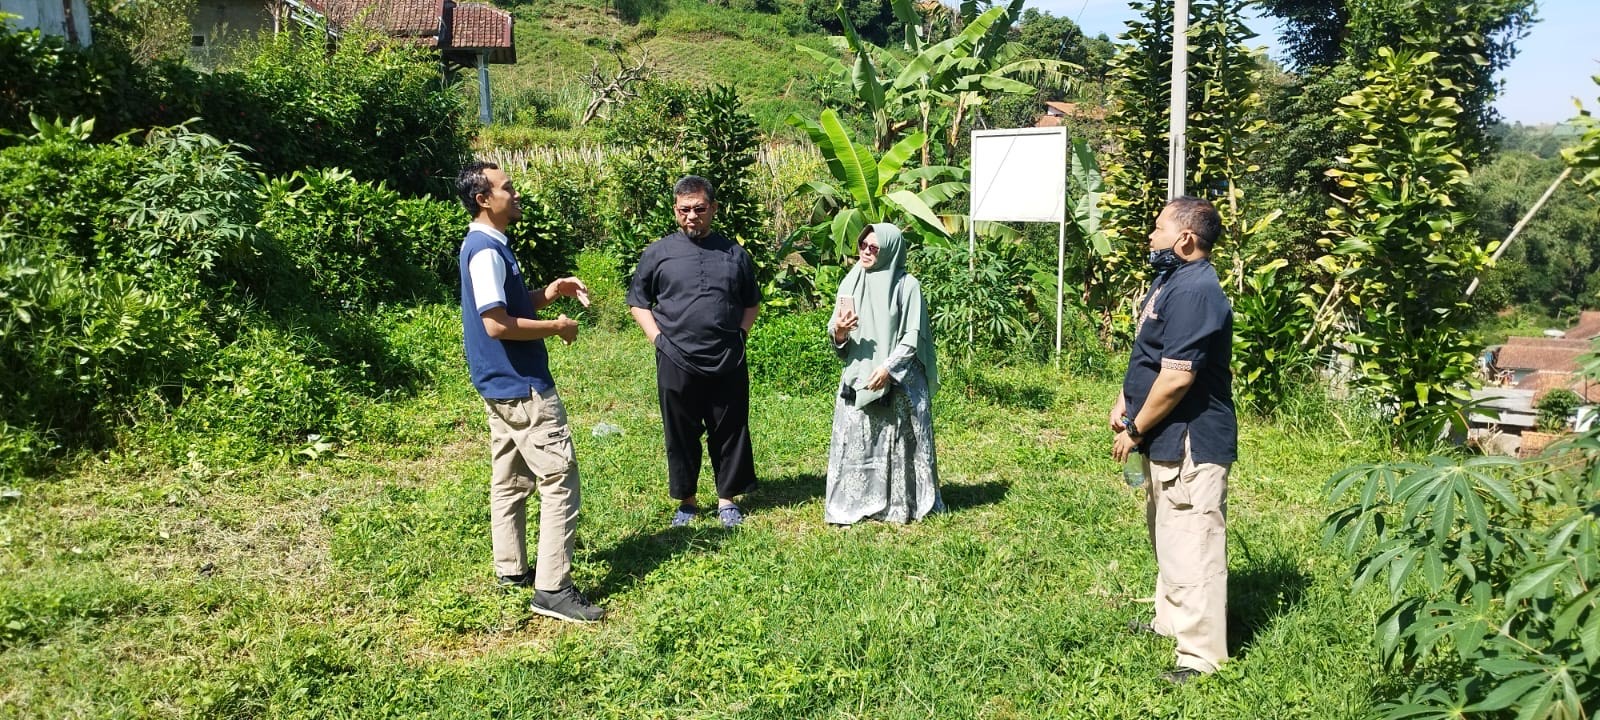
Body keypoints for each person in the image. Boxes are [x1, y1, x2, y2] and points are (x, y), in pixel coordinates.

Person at [455, 160, 603, 623]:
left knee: (511, 479)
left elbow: (508, 304)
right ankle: (553, 589)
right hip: (522, 388)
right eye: (507, 188)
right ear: (484, 199)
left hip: (499, 386)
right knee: (559, 478)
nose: (516, 195)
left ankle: (511, 570)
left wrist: (550, 292)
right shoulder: (485, 251)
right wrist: (556, 327)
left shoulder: (492, 245)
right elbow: (496, 324)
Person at [1109, 196, 1236, 684]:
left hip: (1191, 438)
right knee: (1167, 531)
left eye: (1159, 227)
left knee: (1193, 538)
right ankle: (1171, 622)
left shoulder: (1199, 290)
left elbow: (1179, 377)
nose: (1151, 235)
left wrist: (1137, 428)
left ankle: (1201, 655)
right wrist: (1125, 399)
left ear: (1185, 238)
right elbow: (1149, 352)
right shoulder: (1170, 281)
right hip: (1162, 431)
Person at [627, 175, 761, 528]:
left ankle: (727, 499)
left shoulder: (734, 254)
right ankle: (686, 501)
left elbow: (751, 302)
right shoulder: (658, 253)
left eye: (699, 209)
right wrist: (657, 339)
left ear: (713, 209)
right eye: (685, 210)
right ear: (675, 211)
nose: (692, 217)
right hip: (676, 357)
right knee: (681, 432)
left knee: (730, 428)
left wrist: (741, 335)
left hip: (727, 357)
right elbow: (638, 302)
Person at [824, 223, 943, 525]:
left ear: (889, 250)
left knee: (899, 441)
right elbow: (837, 332)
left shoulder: (907, 286)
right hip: (859, 377)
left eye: (873, 247)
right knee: (859, 440)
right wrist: (838, 332)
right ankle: (859, 501)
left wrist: (888, 369)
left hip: (900, 379)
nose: (865, 251)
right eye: (863, 244)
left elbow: (912, 337)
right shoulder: (852, 281)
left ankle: (901, 504)